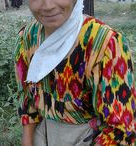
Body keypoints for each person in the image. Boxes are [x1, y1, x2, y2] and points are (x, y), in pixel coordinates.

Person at [14, 0, 135, 145]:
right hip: (42, 135)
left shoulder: (104, 44)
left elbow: (120, 129)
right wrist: (27, 141)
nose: (48, 6)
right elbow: (27, 100)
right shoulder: (27, 37)